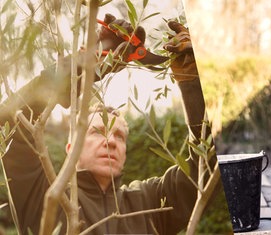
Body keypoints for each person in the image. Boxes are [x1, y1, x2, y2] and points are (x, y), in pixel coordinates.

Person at [0, 14, 212, 235]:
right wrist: (81, 66)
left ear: (125, 152)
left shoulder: (149, 201)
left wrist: (194, 84)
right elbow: (9, 122)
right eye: (97, 132)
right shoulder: (42, 196)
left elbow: (205, 167)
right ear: (72, 148)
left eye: (119, 136)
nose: (110, 141)